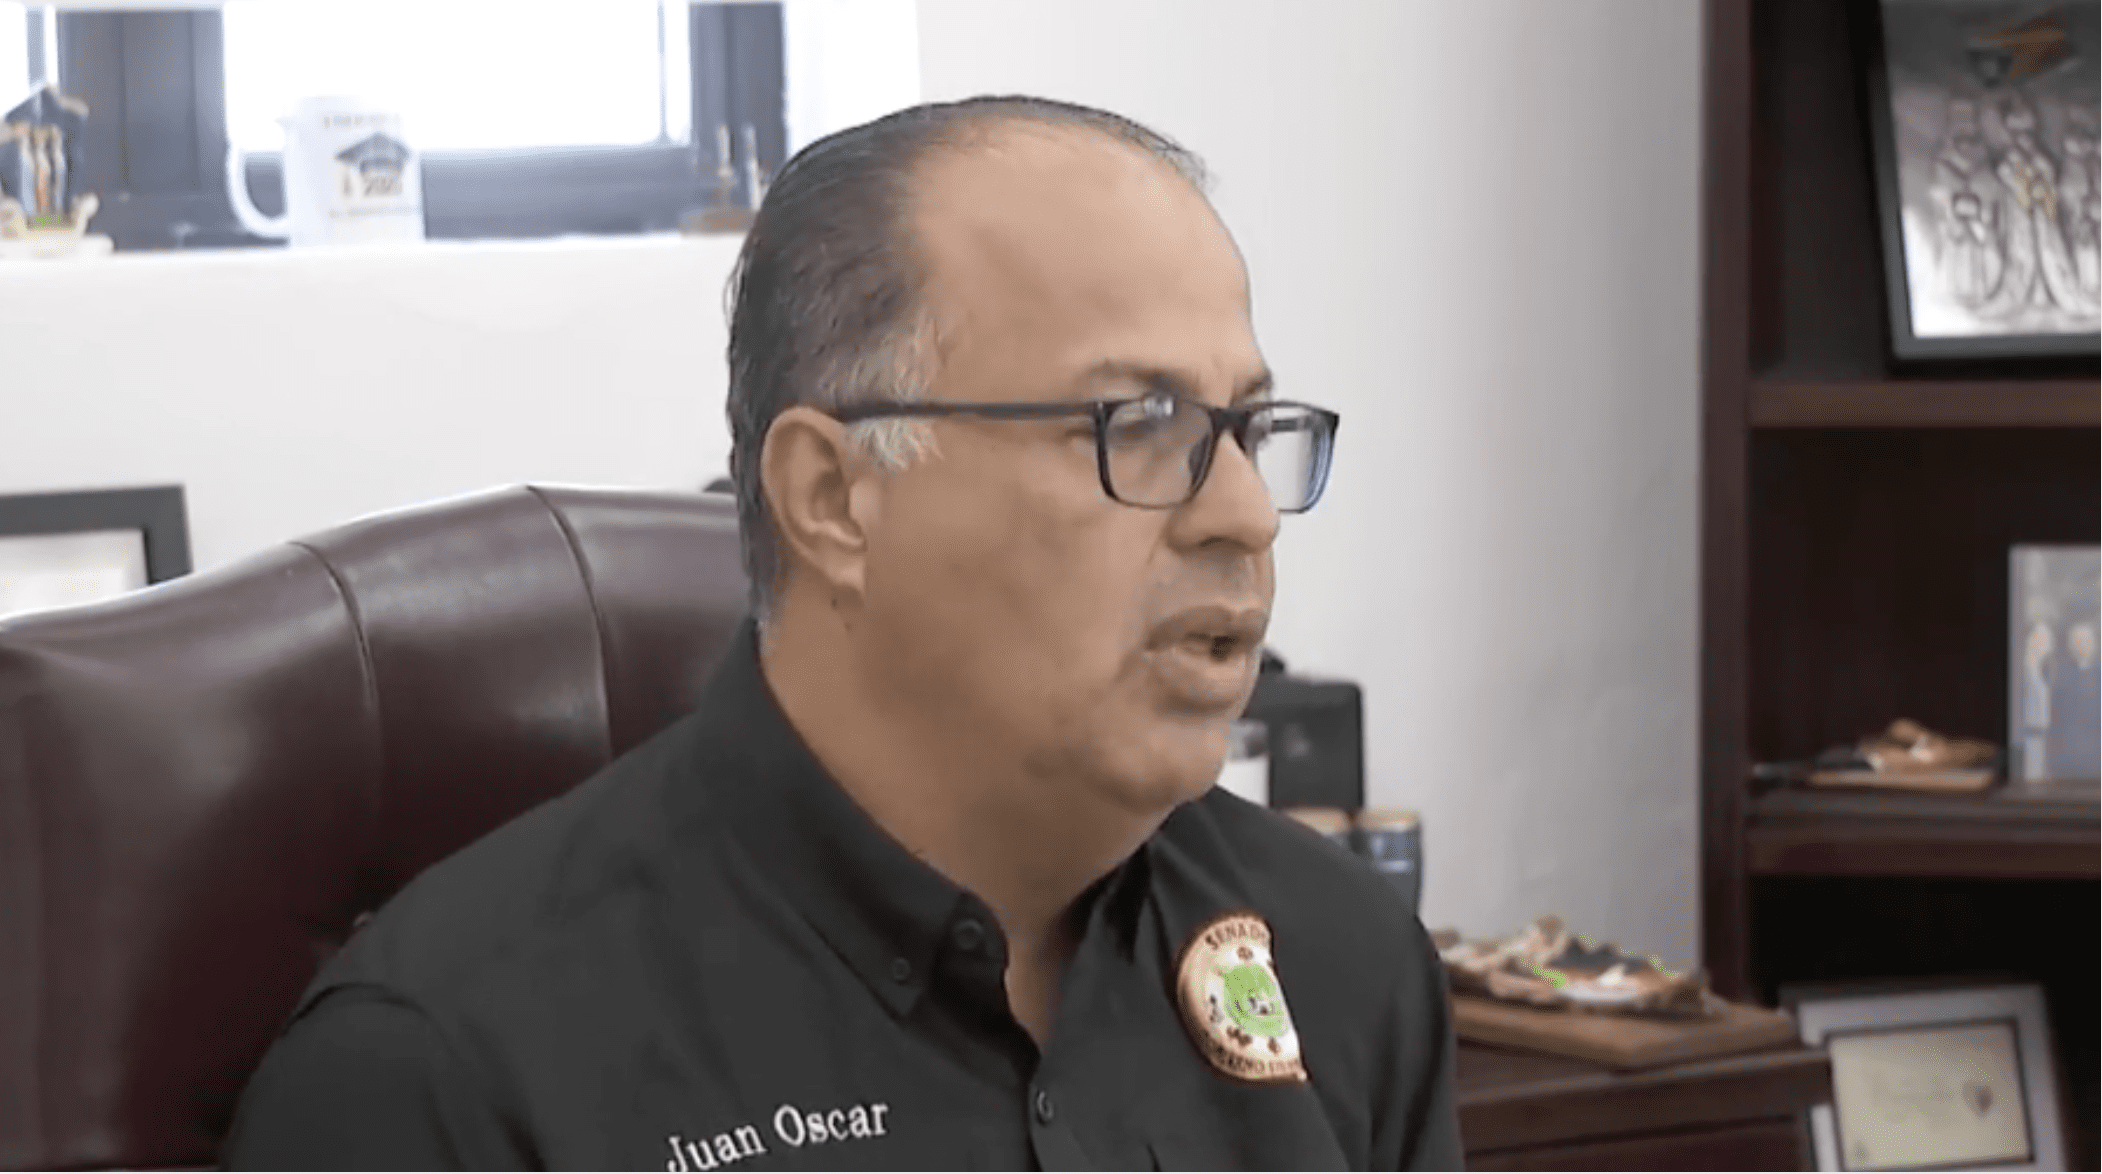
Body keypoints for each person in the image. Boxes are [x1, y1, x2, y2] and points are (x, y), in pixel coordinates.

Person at [221, 96, 1460, 1171]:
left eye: (1246, 428)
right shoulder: (441, 1071)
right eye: (1137, 421)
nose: (1244, 513)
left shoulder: (1339, 961)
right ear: (832, 497)